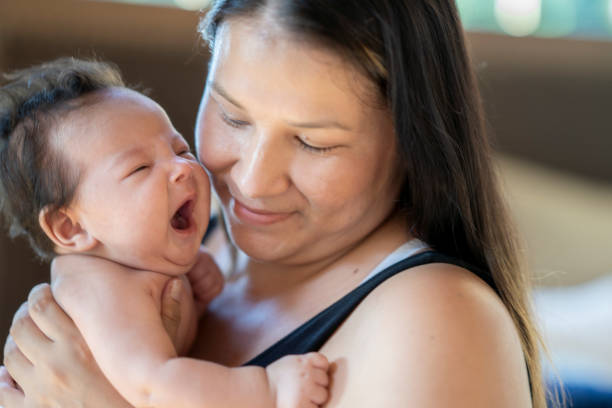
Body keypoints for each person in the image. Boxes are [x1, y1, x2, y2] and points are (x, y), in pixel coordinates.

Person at [0, 1, 549, 407]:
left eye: (314, 142)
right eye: (232, 117)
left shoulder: (438, 320)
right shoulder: (190, 256)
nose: (254, 183)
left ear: (412, 140)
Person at [0, 58, 330, 408]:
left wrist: (194, 301)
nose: (181, 169)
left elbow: (158, 340)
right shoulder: (102, 291)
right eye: (140, 168)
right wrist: (268, 389)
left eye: (180, 149)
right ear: (71, 228)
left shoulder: (143, 262)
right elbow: (154, 387)